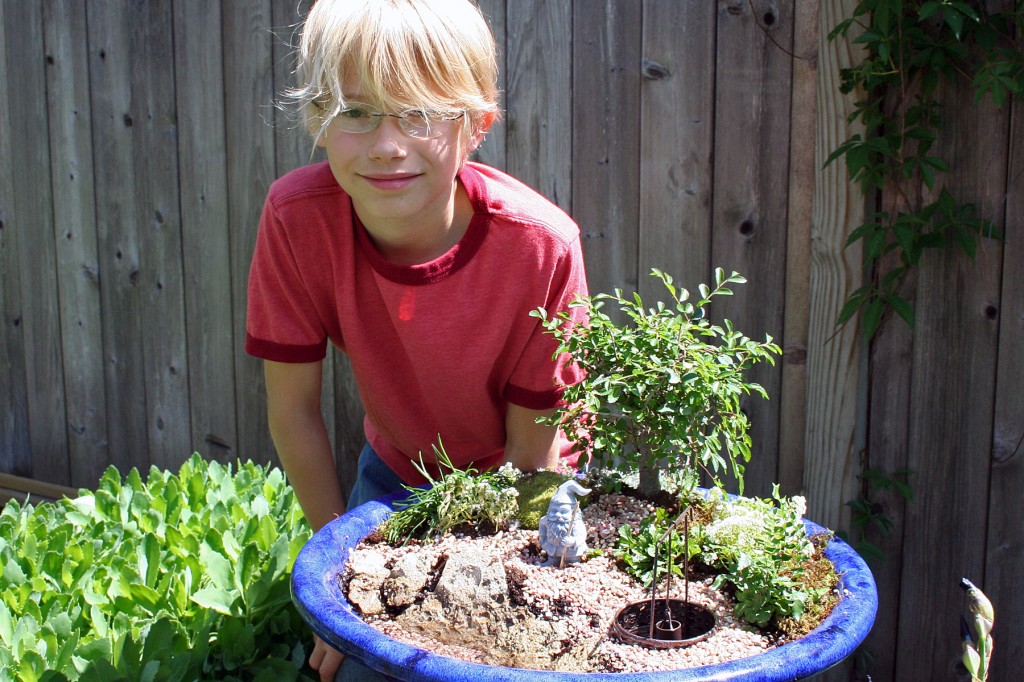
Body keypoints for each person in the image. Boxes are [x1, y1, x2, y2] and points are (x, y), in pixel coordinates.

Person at [244, 0, 589, 679]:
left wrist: (473, 597)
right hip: (398, 473)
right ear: (317, 119)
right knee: (365, 665)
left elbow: (531, 455)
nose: (386, 144)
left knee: (506, 655)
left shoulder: (541, 247)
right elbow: (292, 411)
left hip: (532, 486)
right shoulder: (296, 220)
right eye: (356, 111)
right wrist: (338, 583)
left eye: (419, 112)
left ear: (476, 126)